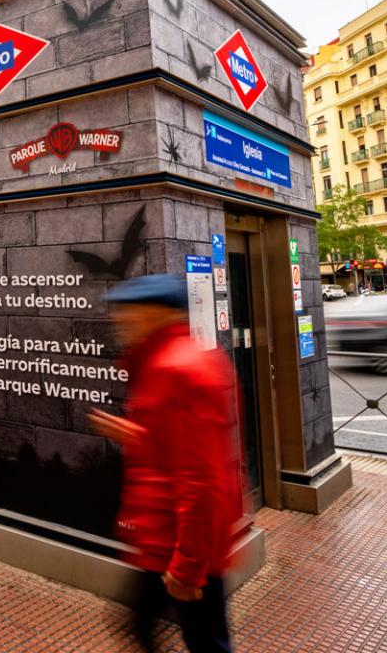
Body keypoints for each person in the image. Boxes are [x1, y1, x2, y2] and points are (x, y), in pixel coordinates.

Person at [88, 274, 241, 653]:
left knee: (204, 641)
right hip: (163, 537)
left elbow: (201, 478)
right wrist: (135, 434)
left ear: (157, 314)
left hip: (183, 544)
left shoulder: (178, 371)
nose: (119, 321)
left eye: (129, 312)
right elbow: (176, 447)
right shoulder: (161, 364)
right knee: (145, 625)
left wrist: (188, 565)